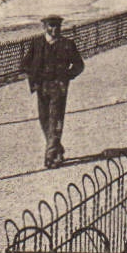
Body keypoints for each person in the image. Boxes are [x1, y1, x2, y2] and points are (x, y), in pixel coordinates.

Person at [20, 15, 84, 168]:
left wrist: (66, 77)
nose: (55, 30)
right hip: (41, 87)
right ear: (44, 27)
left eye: (57, 26)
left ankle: (50, 156)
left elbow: (79, 65)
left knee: (55, 120)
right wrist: (34, 76)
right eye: (51, 26)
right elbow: (25, 64)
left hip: (58, 88)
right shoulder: (36, 44)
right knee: (44, 120)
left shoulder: (68, 44)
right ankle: (58, 149)